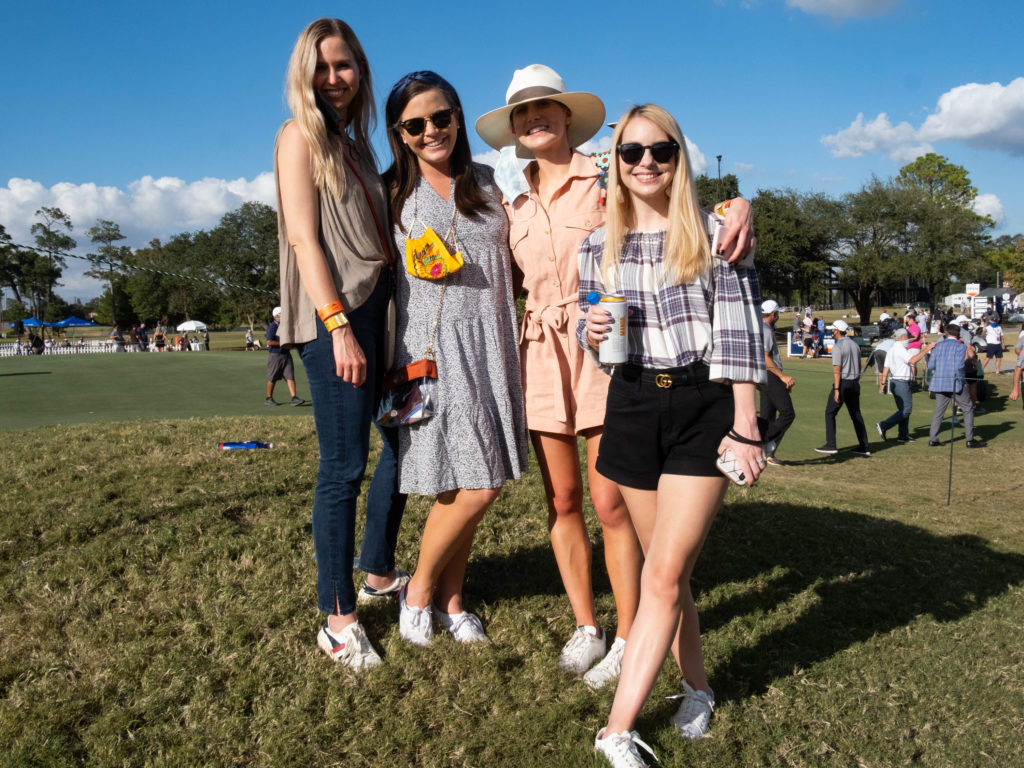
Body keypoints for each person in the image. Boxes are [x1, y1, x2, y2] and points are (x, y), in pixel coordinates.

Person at [476, 64, 756, 687]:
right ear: (515, 130)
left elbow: (673, 203)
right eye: (522, 112)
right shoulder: (507, 201)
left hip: (613, 345)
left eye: (545, 107)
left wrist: (740, 207)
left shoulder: (608, 174)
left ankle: (631, 634)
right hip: (543, 350)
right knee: (564, 500)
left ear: (568, 116)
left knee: (612, 503)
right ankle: (587, 625)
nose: (534, 118)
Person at [578, 104, 765, 767]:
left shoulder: (718, 233)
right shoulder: (596, 246)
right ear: (617, 163)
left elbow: (742, 333)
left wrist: (746, 427)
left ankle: (616, 731)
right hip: (631, 403)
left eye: (661, 151)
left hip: (703, 405)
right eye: (631, 153)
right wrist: (592, 334)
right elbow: (598, 345)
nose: (646, 163)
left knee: (661, 575)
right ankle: (698, 687)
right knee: (671, 574)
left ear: (679, 157)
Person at [274, 17, 408, 669]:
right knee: (342, 468)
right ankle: (337, 618)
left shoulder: (355, 147)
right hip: (337, 323)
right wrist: (336, 327)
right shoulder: (299, 138)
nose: (334, 78)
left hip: (378, 317)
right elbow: (304, 238)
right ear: (306, 73)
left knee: (405, 443)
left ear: (360, 72)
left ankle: (377, 572)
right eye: (322, 67)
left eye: (345, 66)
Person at [383, 71, 528, 646]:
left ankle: (452, 600)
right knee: (480, 484)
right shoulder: (389, 192)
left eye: (440, 118)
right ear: (400, 133)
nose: (430, 131)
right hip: (434, 352)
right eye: (415, 125)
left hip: (494, 345)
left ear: (458, 117)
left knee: (463, 483)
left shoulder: (490, 183)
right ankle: (417, 591)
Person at [814, 320, 870, 456]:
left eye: (833, 330)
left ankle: (831, 444)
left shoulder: (838, 346)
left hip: (843, 384)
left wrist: (837, 390)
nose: (831, 332)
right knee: (856, 414)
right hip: (854, 383)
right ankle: (864, 446)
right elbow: (859, 366)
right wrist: (856, 379)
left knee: (830, 412)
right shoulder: (855, 345)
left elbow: (837, 369)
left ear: (837, 331)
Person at [927, 324, 986, 448]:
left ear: (947, 333)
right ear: (958, 334)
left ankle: (933, 439)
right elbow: (960, 366)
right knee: (968, 408)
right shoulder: (961, 347)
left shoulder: (938, 346)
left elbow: (931, 365)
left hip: (940, 382)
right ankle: (970, 440)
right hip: (956, 382)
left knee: (939, 412)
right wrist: (962, 381)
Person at [875, 328, 929, 443]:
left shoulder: (892, 349)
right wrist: (926, 350)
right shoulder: (900, 349)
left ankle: (903, 435)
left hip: (894, 382)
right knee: (906, 410)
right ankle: (884, 425)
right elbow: (913, 360)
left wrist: (883, 383)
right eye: (907, 336)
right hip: (901, 382)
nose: (908, 339)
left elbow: (886, 368)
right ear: (902, 337)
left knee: (902, 410)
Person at [759, 299, 795, 464]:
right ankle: (767, 445)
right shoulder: (766, 330)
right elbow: (766, 358)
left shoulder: (760, 327)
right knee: (788, 413)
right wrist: (782, 376)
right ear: (773, 314)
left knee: (767, 416)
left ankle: (764, 453)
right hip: (771, 375)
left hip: (764, 376)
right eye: (777, 313)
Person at [265, 306, 305, 406]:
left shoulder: (285, 326)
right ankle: (269, 398)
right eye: (282, 314)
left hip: (286, 354)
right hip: (275, 355)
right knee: (272, 377)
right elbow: (269, 341)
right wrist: (282, 343)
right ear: (277, 316)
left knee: (290, 376)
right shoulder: (272, 326)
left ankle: (294, 398)